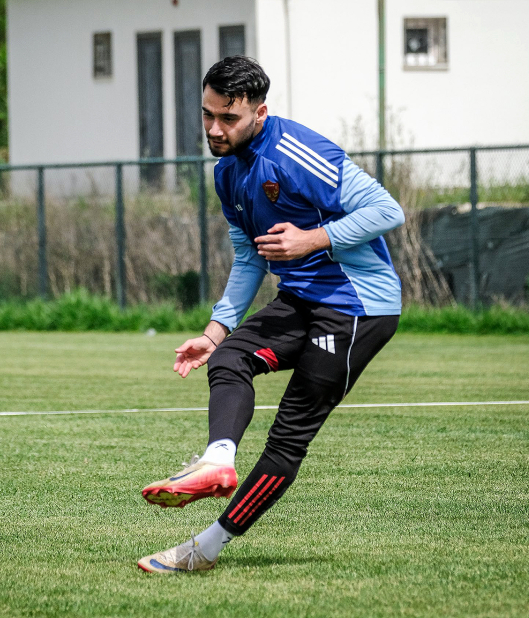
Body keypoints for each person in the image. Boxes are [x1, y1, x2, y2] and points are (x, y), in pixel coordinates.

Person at [137, 56, 404, 574]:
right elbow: (249, 257)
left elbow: (386, 210)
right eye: (208, 114)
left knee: (288, 436)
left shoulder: (297, 153)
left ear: (259, 113)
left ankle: (204, 548)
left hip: (357, 307)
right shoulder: (227, 172)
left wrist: (314, 238)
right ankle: (218, 461)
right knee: (227, 358)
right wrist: (216, 330)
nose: (214, 129)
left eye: (228, 118)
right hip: (302, 300)